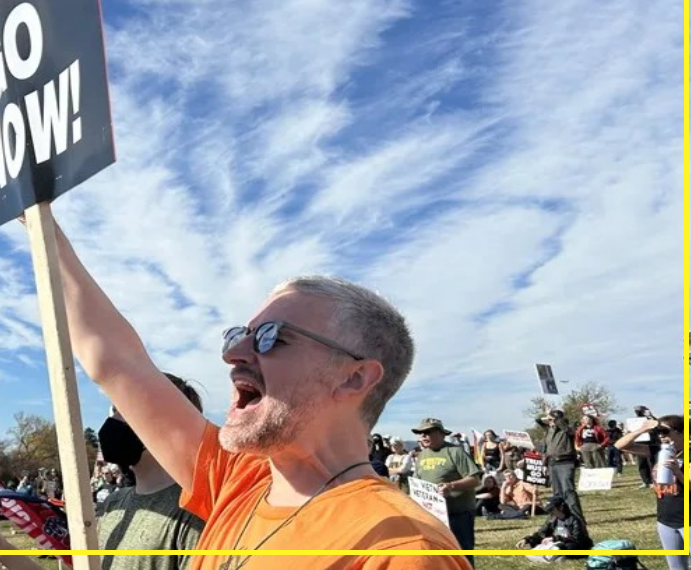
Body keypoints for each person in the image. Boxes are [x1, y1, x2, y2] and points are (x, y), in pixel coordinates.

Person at [38, 222, 470, 570]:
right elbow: (117, 363)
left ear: (354, 378)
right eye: (239, 335)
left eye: (270, 338)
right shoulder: (237, 479)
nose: (232, 355)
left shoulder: (402, 549)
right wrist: (42, 229)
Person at [0, 373, 207, 570]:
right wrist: (0, 548)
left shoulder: (194, 513)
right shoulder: (115, 504)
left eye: (121, 411)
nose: (111, 422)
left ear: (161, 422)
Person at [615, 413, 691, 570]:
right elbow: (620, 446)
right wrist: (642, 429)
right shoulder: (657, 451)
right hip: (665, 519)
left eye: (665, 432)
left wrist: (678, 473)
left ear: (681, 432)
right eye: (658, 433)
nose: (661, 437)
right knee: (677, 567)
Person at [412, 418, 482, 566]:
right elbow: (416, 482)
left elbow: (474, 479)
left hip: (458, 513)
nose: (423, 436)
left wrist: (451, 486)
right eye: (420, 433)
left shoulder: (455, 452)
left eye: (427, 432)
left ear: (441, 434)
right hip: (433, 515)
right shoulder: (422, 455)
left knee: (462, 552)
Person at [534, 409, 584, 520]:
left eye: (553, 419)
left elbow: (566, 428)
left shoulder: (567, 429)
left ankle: (576, 517)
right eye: (550, 420)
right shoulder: (548, 430)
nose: (551, 422)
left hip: (565, 462)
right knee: (557, 492)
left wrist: (556, 417)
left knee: (568, 490)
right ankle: (561, 516)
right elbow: (538, 420)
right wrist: (547, 416)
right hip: (552, 463)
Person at [514, 496, 592, 562]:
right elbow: (541, 533)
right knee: (535, 542)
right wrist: (527, 539)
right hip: (555, 545)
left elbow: (577, 539)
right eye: (549, 510)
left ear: (561, 507)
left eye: (552, 510)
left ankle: (551, 556)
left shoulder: (575, 520)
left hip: (574, 546)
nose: (550, 512)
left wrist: (555, 538)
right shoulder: (552, 519)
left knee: (567, 545)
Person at [632, 405, 661, 488]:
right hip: (640, 443)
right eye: (636, 411)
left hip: (652, 443)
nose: (638, 412)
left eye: (640, 411)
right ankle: (645, 481)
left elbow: (657, 426)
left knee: (652, 462)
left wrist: (650, 416)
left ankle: (654, 480)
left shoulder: (652, 419)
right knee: (642, 463)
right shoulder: (635, 421)